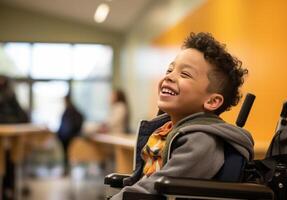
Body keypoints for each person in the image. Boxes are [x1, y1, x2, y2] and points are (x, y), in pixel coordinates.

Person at [110, 32, 254, 200]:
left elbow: (157, 186)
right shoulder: (165, 129)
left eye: (184, 74)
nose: (169, 76)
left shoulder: (202, 140)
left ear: (212, 101)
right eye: (170, 69)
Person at [57, 94, 84, 175]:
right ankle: (66, 169)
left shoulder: (70, 110)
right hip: (66, 136)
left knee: (67, 154)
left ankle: (66, 169)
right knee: (67, 154)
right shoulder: (71, 110)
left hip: (67, 136)